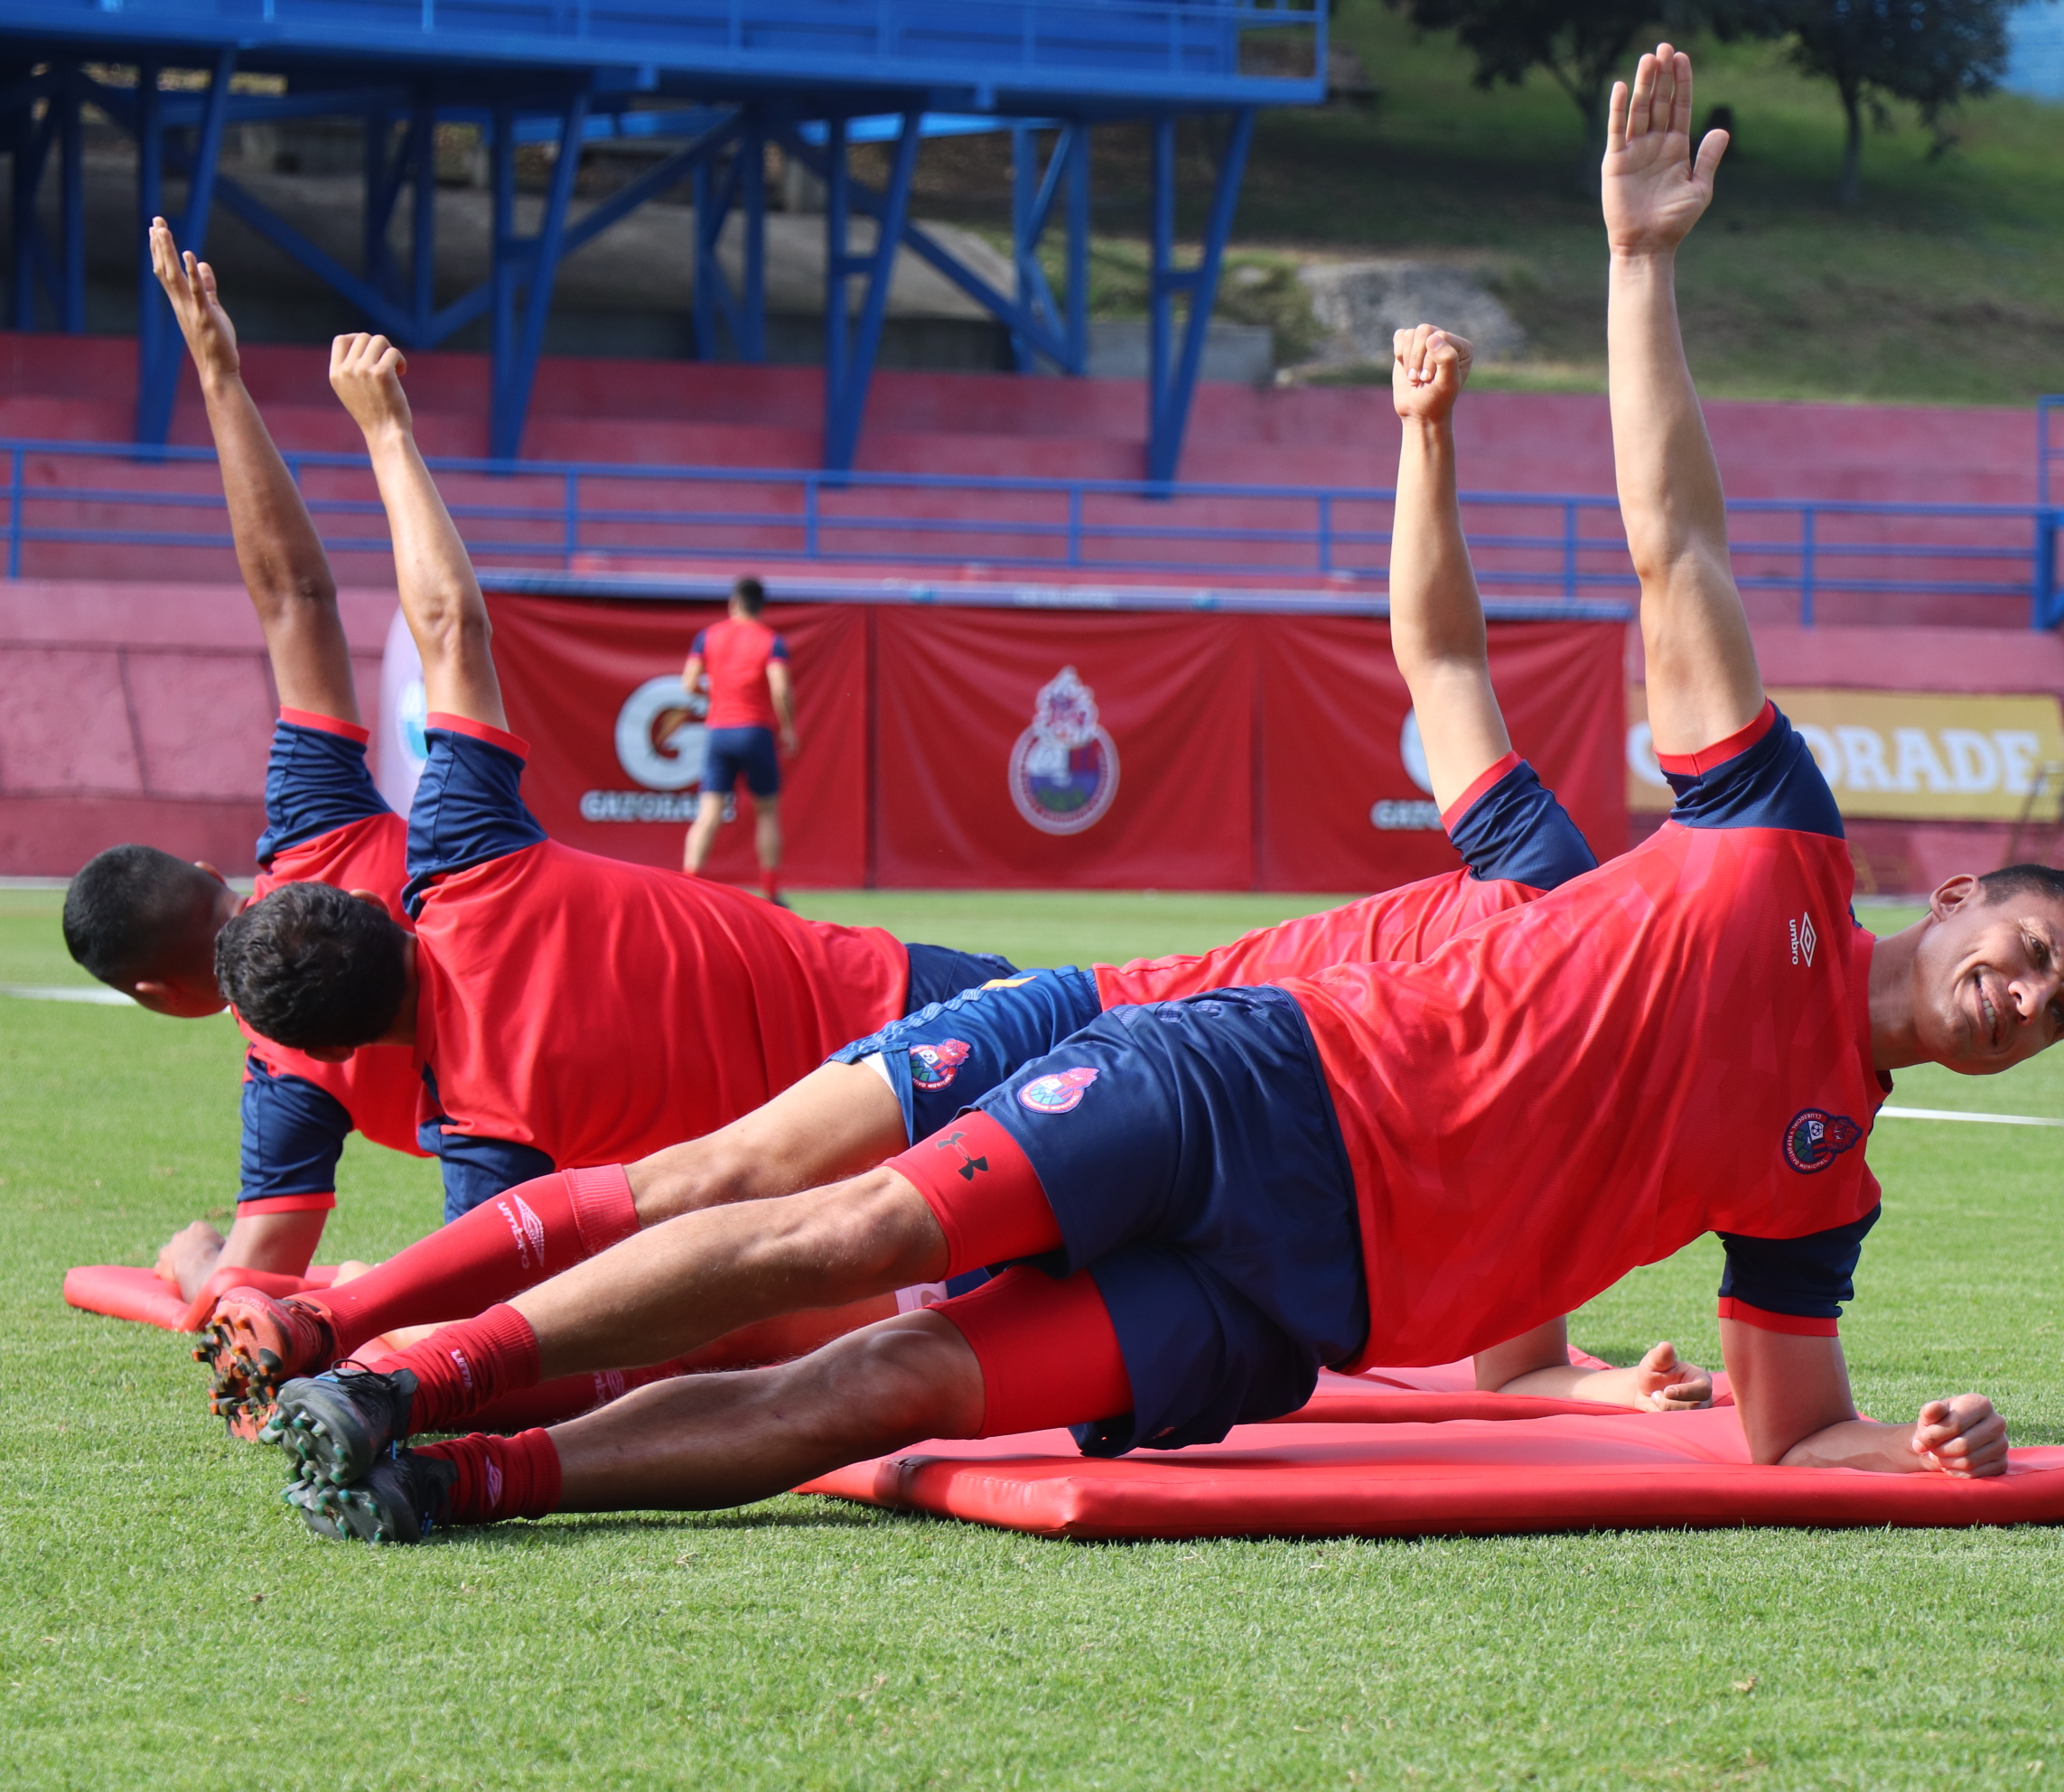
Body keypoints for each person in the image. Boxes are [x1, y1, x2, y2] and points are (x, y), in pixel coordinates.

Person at [257, 50, 2064, 1545]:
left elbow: (1791, 1424)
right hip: (1237, 1076)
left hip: (1299, 1299)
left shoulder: (1827, 1178)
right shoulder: (1754, 837)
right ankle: (412, 1375)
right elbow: (1656, 559)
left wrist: (1914, 1440)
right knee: (821, 1228)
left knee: (881, 1374)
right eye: (2036, 946)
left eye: (2061, 1010)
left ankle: (455, 1473)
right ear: (1958, 894)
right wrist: (1634, 273)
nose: (2029, 995)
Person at [210, 322, 1704, 1433]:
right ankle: (402, 1377)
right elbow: (1440, 654)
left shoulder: (1553, 1083)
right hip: (1070, 1040)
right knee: (803, 1251)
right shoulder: (1549, 888)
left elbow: (1514, 1332)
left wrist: (1587, 1389)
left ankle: (405, 1389)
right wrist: (1427, 431)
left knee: (794, 1259)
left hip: (1136, 1112)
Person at [195, 331, 1023, 1415]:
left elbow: (510, 1330)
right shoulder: (466, 862)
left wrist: (320, 1304)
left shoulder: (487, 1139)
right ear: (374, 901)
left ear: (341, 1050)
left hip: (902, 1195)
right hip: (946, 1003)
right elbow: (444, 620)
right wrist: (386, 429)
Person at [55, 220, 428, 1349]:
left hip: (658, 1201)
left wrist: (190, 1256)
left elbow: (248, 1291)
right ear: (217, 871)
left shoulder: (290, 1065)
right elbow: (296, 603)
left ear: (164, 999)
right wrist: (216, 365)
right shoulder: (322, 828)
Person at [680, 576, 798, 905]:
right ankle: (771, 889)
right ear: (761, 607)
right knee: (767, 811)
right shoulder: (770, 640)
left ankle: (689, 885)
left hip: (719, 730)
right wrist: (788, 728)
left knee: (708, 812)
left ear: (733, 603)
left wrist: (716, 694)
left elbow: (688, 683)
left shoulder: (709, 636)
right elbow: (779, 688)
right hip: (756, 730)